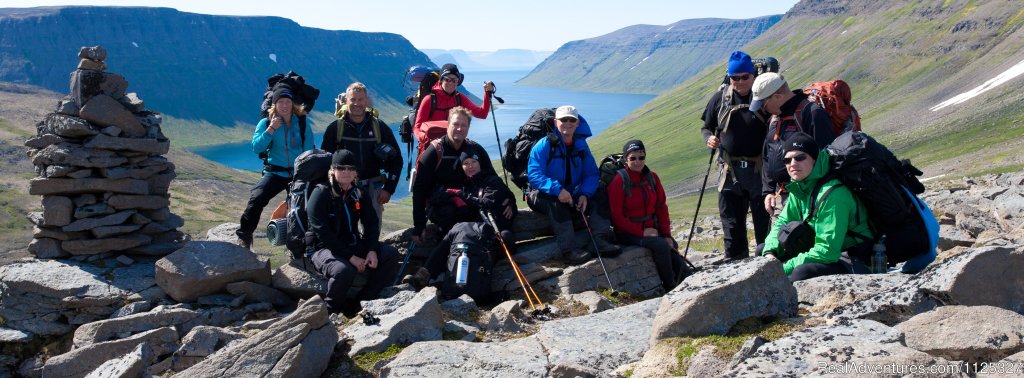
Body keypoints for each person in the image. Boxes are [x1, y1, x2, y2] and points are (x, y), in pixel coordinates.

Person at [761, 133, 873, 282]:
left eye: (800, 157)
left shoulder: (834, 194)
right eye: (787, 160)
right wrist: (770, 252)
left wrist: (783, 268)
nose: (792, 164)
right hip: (823, 250)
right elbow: (782, 222)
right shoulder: (800, 186)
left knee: (800, 273)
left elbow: (827, 251)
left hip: (852, 258)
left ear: (814, 159)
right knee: (762, 251)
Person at [307, 149, 400, 316]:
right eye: (341, 168)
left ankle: (361, 303)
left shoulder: (358, 193)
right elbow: (322, 233)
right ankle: (331, 312)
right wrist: (351, 257)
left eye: (350, 168)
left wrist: (371, 250)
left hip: (352, 243)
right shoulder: (320, 193)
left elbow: (371, 223)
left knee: (390, 255)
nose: (346, 172)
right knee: (344, 271)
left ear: (355, 171)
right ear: (332, 170)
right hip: (323, 248)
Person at [526, 105, 620, 264]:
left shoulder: (581, 147)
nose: (568, 123)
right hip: (541, 194)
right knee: (555, 202)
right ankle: (569, 251)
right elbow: (534, 175)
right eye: (563, 120)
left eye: (572, 120)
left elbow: (591, 174)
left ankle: (600, 241)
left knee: (599, 191)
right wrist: (557, 190)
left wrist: (584, 193)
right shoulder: (544, 145)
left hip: (571, 193)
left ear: (577, 123)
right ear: (556, 122)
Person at [701, 50, 771, 260]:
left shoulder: (766, 97)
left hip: (759, 170)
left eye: (745, 77)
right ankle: (734, 265)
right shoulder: (720, 98)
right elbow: (707, 127)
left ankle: (765, 264)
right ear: (729, 77)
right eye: (735, 78)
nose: (740, 82)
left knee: (764, 223)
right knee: (731, 224)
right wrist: (708, 139)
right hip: (729, 170)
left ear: (753, 75)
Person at [411, 107, 512, 241]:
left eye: (464, 125)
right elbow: (419, 189)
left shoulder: (475, 149)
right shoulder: (434, 152)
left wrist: (509, 200)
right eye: (455, 124)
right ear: (448, 124)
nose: (459, 128)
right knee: (449, 213)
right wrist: (419, 224)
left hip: (471, 201)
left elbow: (492, 179)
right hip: (442, 206)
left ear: (469, 127)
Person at [236, 83, 315, 249]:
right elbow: (257, 147)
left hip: (297, 173)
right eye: (281, 102)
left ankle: (301, 244)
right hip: (275, 172)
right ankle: (244, 236)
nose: (284, 106)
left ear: (292, 104)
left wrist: (305, 173)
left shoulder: (301, 123)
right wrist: (271, 129)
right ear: (275, 104)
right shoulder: (265, 123)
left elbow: (309, 149)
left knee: (303, 208)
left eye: (287, 102)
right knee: (257, 198)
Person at [751, 72, 838, 220]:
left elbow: (825, 158)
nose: (763, 110)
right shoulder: (774, 118)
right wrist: (768, 191)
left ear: (777, 96)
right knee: (777, 241)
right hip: (780, 197)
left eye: (763, 104)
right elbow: (767, 156)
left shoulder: (812, 113)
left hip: (807, 198)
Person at [607, 140, 687, 291]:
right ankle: (669, 286)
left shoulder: (652, 177)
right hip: (626, 232)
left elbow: (661, 207)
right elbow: (616, 216)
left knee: (671, 244)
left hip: (651, 228)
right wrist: (641, 232)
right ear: (625, 159)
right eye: (633, 158)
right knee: (660, 246)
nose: (637, 161)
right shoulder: (619, 181)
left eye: (641, 157)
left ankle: (685, 276)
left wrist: (666, 234)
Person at [321, 82, 402, 225]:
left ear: (366, 101)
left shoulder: (379, 127)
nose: (356, 103)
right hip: (343, 188)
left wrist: (389, 189)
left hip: (373, 189)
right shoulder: (335, 129)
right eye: (353, 99)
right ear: (346, 101)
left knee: (372, 230)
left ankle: (371, 248)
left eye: (360, 99)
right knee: (344, 230)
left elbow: (397, 160)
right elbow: (324, 162)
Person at [413, 63, 494, 157]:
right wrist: (425, 139)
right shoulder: (429, 100)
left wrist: (487, 94)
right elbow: (417, 127)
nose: (451, 83)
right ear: (441, 80)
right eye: (447, 79)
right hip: (431, 149)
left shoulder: (459, 98)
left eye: (454, 80)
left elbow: (482, 114)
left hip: (453, 147)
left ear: (458, 82)